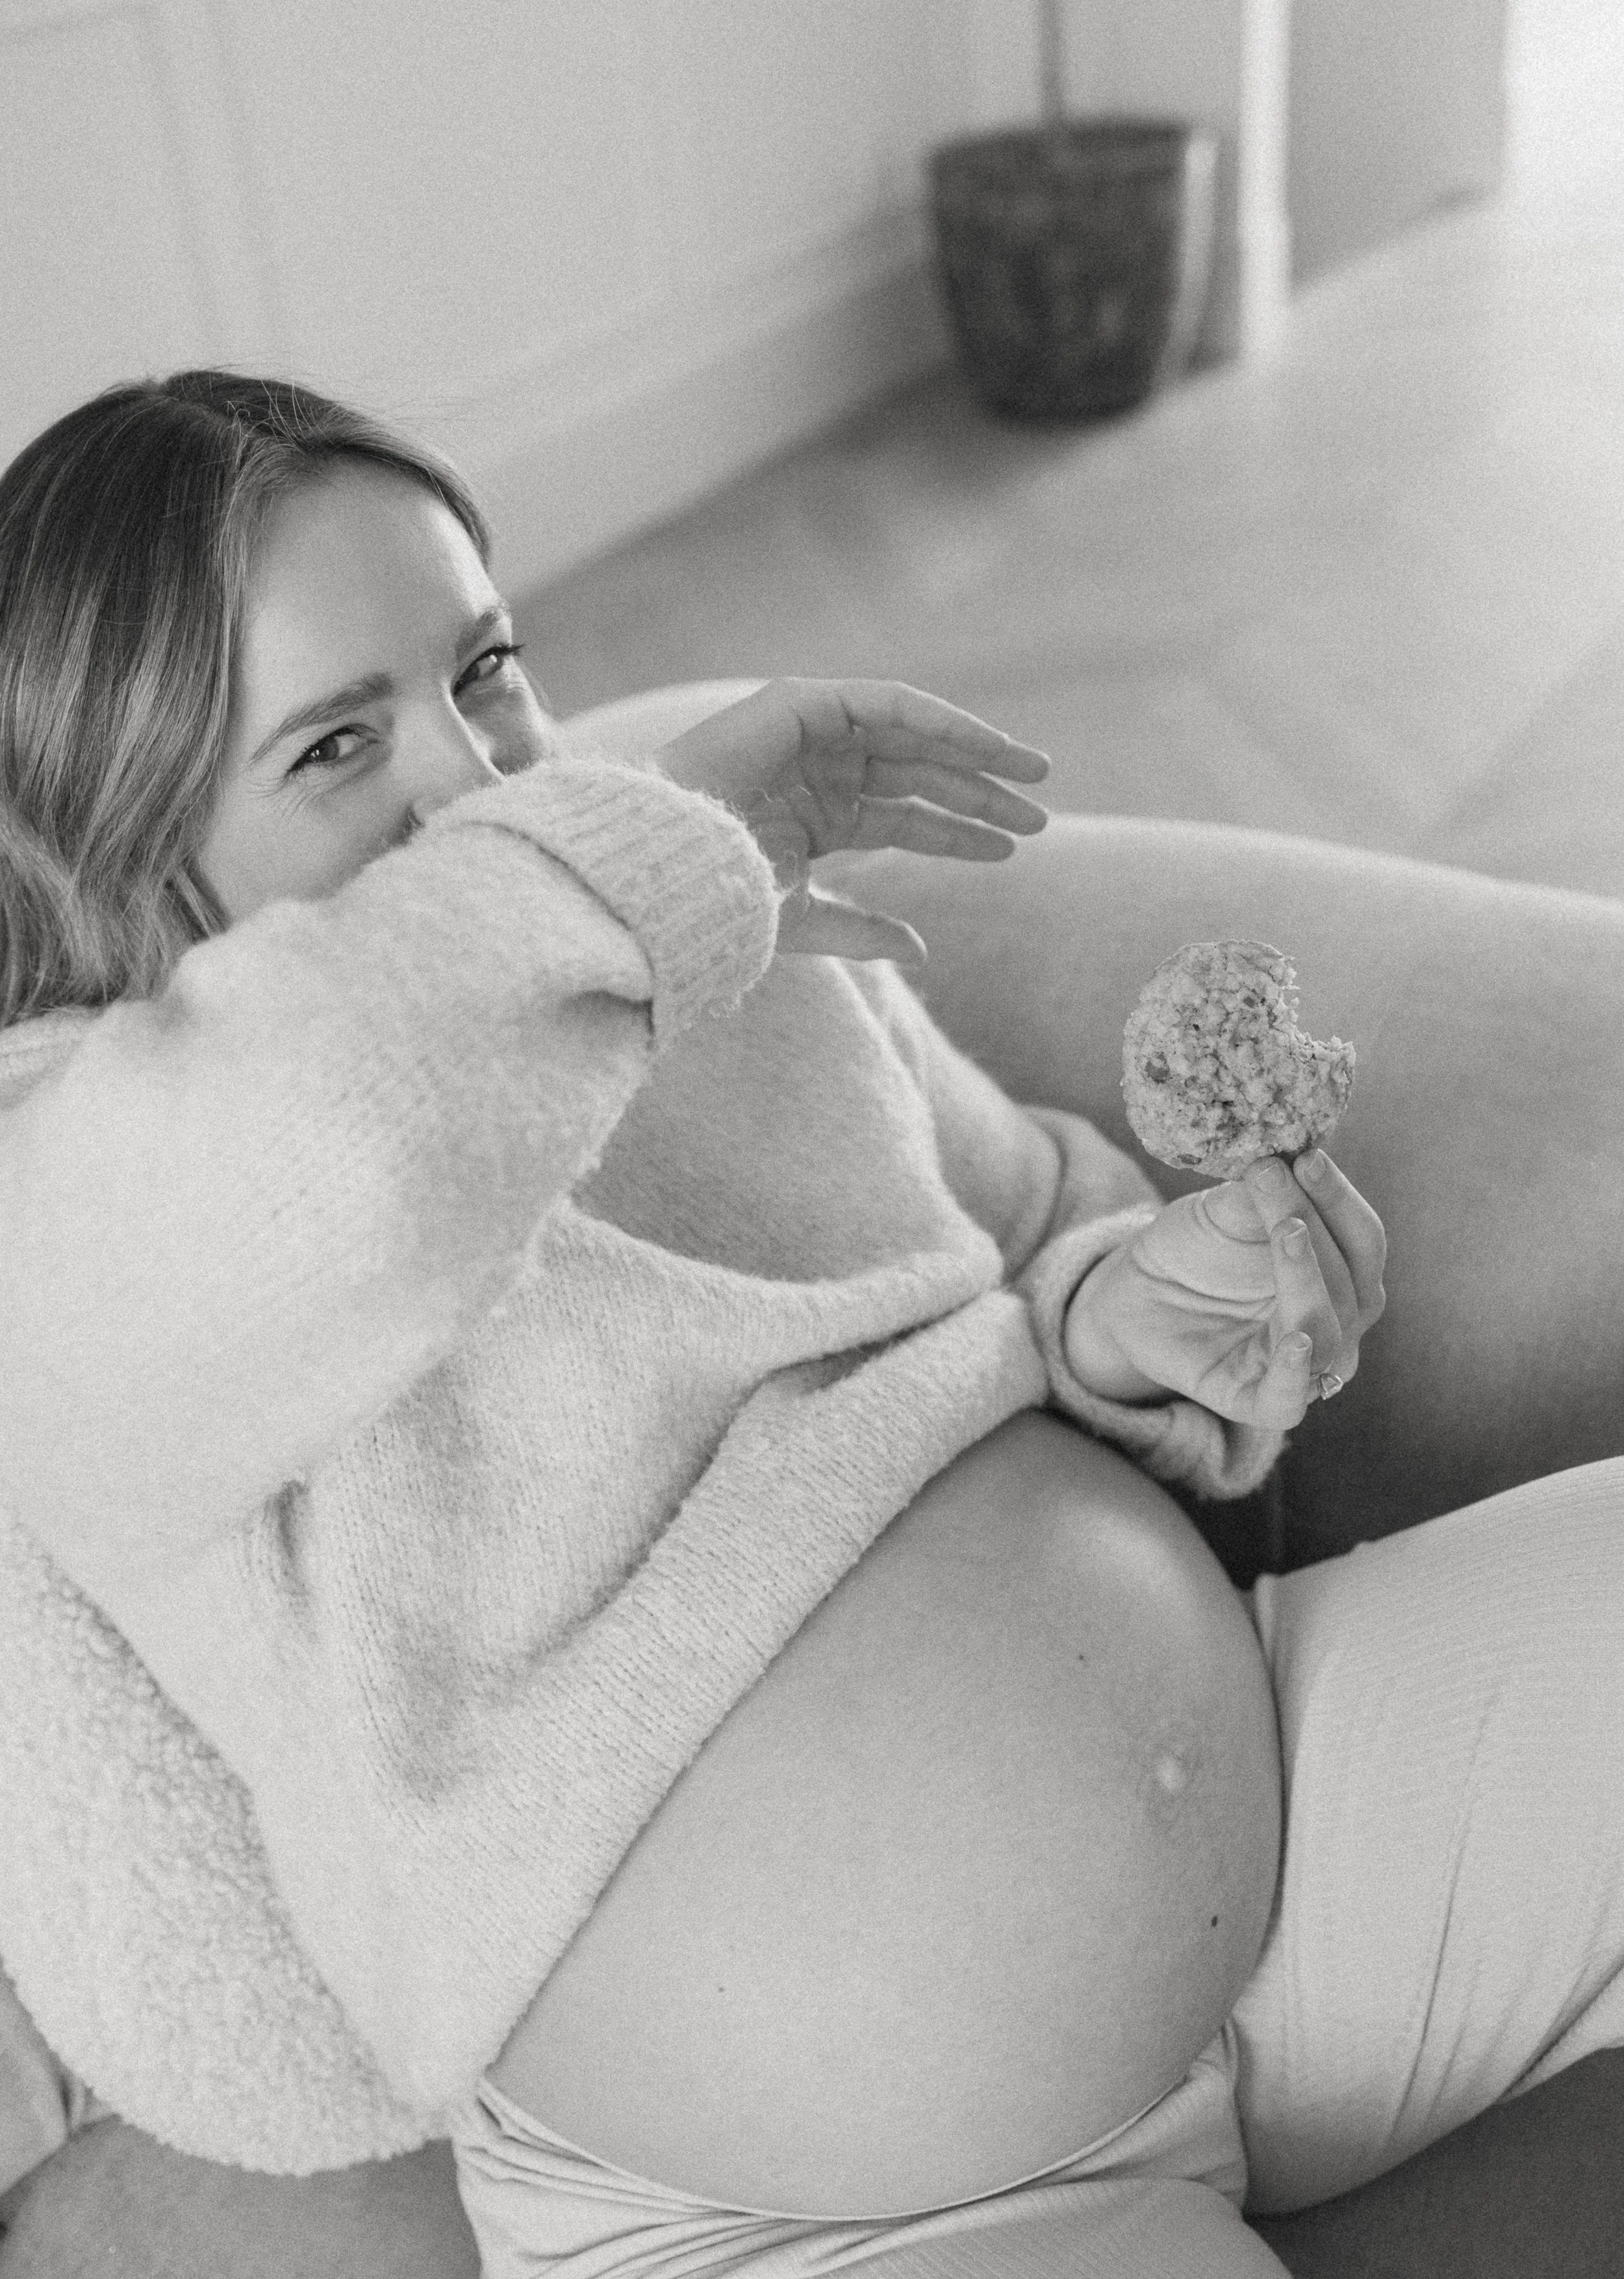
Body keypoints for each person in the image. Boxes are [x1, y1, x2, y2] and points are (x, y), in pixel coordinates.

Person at [0, 369, 1616, 2279]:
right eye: (339, 744)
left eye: (486, 666)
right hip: (799, 2211)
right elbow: (348, 1149)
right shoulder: (84, 1186)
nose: (481, 776)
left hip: (1293, 1839)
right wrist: (648, 873)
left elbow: (1029, 1234)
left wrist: (1140, 1323)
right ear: (120, 839)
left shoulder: (731, 970)